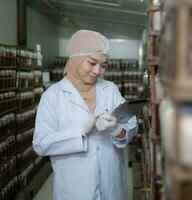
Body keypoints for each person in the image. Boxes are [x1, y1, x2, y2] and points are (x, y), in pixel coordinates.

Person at [32, 30, 138, 200]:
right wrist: (80, 132)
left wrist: (117, 129)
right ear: (75, 58)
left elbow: (131, 126)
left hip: (112, 186)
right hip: (75, 190)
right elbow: (40, 144)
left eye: (104, 65)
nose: (98, 71)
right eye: (92, 63)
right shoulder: (53, 97)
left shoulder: (110, 90)